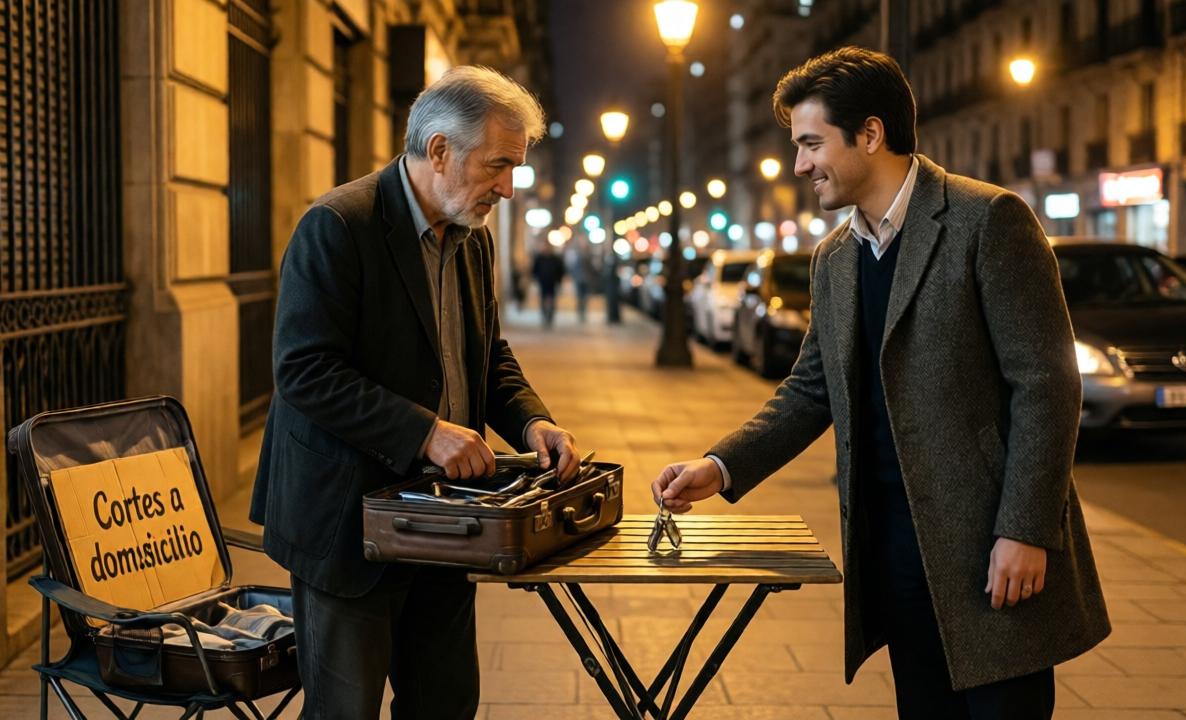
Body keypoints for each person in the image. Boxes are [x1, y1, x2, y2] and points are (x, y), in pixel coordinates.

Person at [652, 46, 1109, 719]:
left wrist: (1027, 529)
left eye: (812, 143)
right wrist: (719, 466)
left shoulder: (988, 221)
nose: (800, 164)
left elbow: (1046, 384)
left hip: (991, 547)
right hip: (892, 548)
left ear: (870, 133)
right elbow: (810, 390)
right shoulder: (835, 258)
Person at [250, 66, 579, 720]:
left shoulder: (471, 239)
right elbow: (305, 370)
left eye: (515, 168)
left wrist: (532, 423)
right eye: (498, 165)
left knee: (447, 702)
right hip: (346, 528)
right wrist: (425, 431)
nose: (509, 188)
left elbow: (486, 357)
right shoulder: (339, 225)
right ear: (437, 150)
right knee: (345, 711)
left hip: (443, 524)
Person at [531, 241, 566, 327]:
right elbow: (534, 269)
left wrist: (559, 280)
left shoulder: (555, 258)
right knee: (543, 299)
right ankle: (544, 315)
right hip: (542, 282)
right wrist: (535, 278)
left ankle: (550, 316)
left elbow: (560, 270)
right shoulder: (539, 258)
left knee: (552, 299)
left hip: (552, 282)